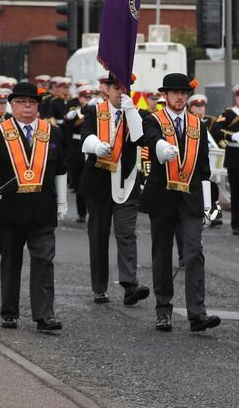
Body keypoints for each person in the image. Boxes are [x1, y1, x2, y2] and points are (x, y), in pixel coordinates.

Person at [0, 81, 69, 332]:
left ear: (38, 106)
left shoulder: (52, 132)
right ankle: (10, 313)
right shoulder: (0, 131)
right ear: (12, 105)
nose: (27, 107)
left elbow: (60, 170)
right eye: (21, 102)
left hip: (42, 208)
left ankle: (44, 316)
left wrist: (62, 202)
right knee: (11, 262)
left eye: (31, 102)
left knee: (44, 260)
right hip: (10, 208)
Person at [138, 72, 220, 333]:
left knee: (194, 253)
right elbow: (150, 141)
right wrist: (162, 148)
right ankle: (164, 310)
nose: (180, 96)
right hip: (162, 196)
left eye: (184, 92)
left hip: (192, 199)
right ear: (165, 95)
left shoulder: (198, 125)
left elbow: (205, 167)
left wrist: (208, 204)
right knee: (162, 255)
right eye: (175, 92)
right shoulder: (153, 120)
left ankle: (197, 314)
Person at [80, 72, 151, 306]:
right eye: (117, 88)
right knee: (98, 237)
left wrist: (131, 111)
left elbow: (142, 138)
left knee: (126, 234)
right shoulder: (94, 110)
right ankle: (99, 287)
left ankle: (130, 285)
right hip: (99, 183)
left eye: (125, 88)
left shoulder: (137, 113)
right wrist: (96, 145)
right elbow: (85, 136)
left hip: (128, 181)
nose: (121, 92)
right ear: (107, 90)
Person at [211, 83, 239, 235]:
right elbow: (215, 129)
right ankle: (237, 224)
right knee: (236, 194)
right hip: (235, 157)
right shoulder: (229, 114)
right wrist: (231, 136)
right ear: (236, 98)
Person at [187, 93, 222, 227]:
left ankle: (215, 215)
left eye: (202, 106)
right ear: (191, 108)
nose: (201, 109)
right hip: (194, 157)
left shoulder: (212, 121)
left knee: (214, 187)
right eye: (197, 106)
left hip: (211, 157)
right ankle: (199, 212)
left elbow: (216, 137)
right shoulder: (188, 120)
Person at [63, 84, 92, 223]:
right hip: (78, 147)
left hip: (92, 147)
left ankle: (92, 211)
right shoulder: (75, 112)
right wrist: (70, 118)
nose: (88, 99)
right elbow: (66, 125)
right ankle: (81, 213)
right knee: (79, 181)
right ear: (80, 98)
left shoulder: (95, 111)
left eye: (89, 97)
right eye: (85, 97)